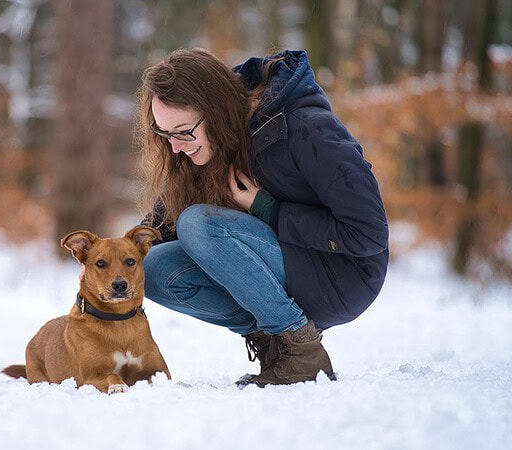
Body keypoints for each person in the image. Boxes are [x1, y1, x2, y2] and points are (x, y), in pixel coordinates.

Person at [135, 48, 389, 387]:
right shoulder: (207, 143)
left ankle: (300, 351)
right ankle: (274, 344)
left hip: (342, 273)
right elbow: (161, 222)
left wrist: (268, 210)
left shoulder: (305, 128)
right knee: (150, 267)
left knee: (198, 224)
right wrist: (112, 260)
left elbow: (369, 235)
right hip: (283, 266)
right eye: (165, 135)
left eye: (182, 132)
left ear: (216, 110)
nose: (176, 148)